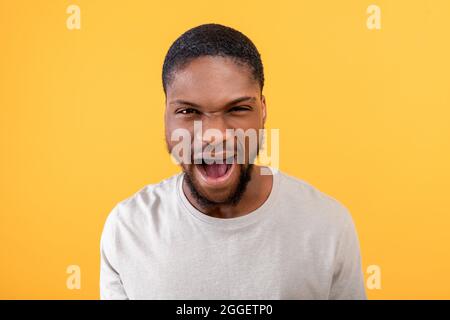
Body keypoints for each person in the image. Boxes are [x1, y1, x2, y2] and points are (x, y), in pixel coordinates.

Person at [100, 23, 367, 300]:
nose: (215, 136)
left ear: (262, 111)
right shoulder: (127, 229)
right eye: (188, 111)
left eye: (238, 109)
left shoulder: (328, 225)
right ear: (166, 116)